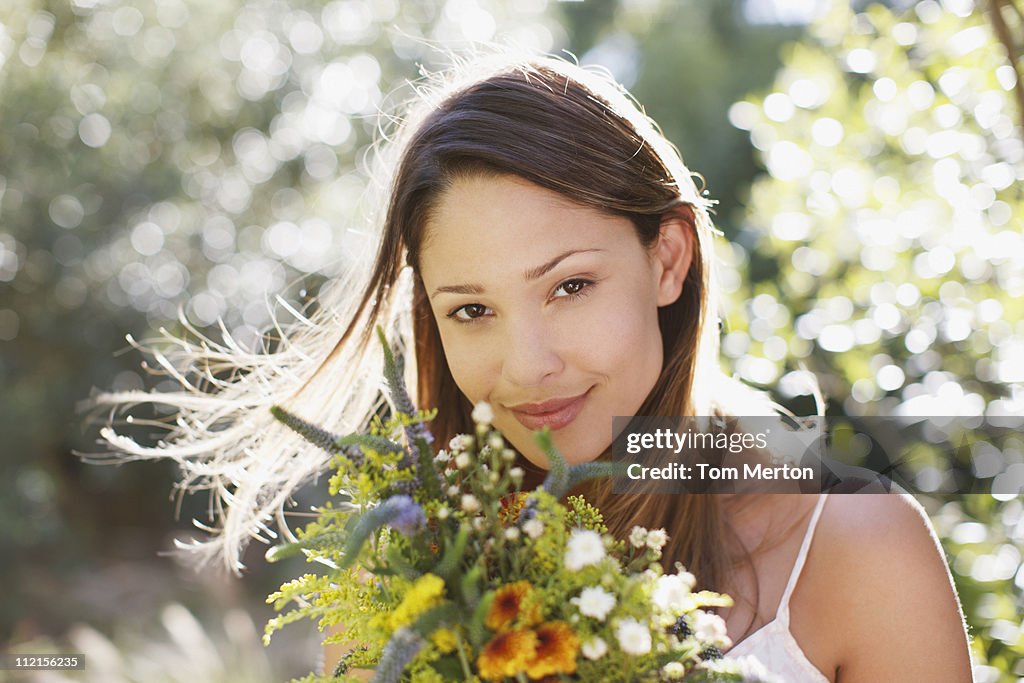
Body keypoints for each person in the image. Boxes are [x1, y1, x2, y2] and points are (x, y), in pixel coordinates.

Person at [92, 53, 974, 682]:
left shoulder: (855, 545)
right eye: (471, 310)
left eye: (570, 286)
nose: (527, 366)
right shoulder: (407, 573)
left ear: (667, 258)